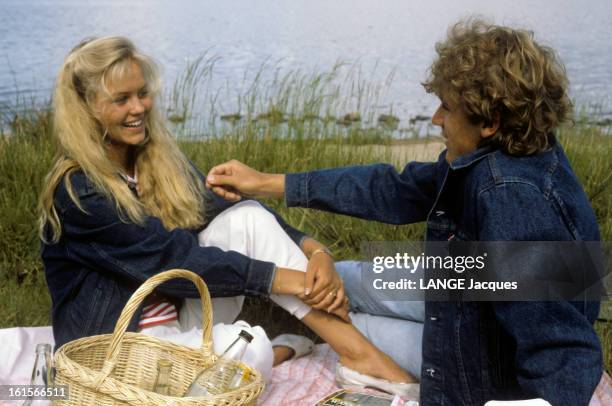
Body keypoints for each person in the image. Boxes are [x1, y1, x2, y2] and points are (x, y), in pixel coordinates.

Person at [205, 19, 604, 405]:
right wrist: (269, 182)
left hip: (488, 358)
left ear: (491, 121)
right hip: (468, 286)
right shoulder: (506, 152)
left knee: (344, 325)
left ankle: (345, 347)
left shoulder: (509, 194)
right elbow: (394, 189)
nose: (435, 119)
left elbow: (560, 340)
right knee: (336, 280)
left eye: (446, 108)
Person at [37, 36, 418, 394]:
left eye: (142, 93)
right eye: (121, 99)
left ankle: (358, 355)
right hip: (124, 346)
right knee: (247, 348)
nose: (138, 108)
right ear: (86, 107)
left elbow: (233, 208)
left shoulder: (153, 160)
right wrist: (293, 282)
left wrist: (317, 252)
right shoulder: (79, 192)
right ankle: (285, 348)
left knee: (247, 217)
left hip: (181, 318)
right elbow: (174, 260)